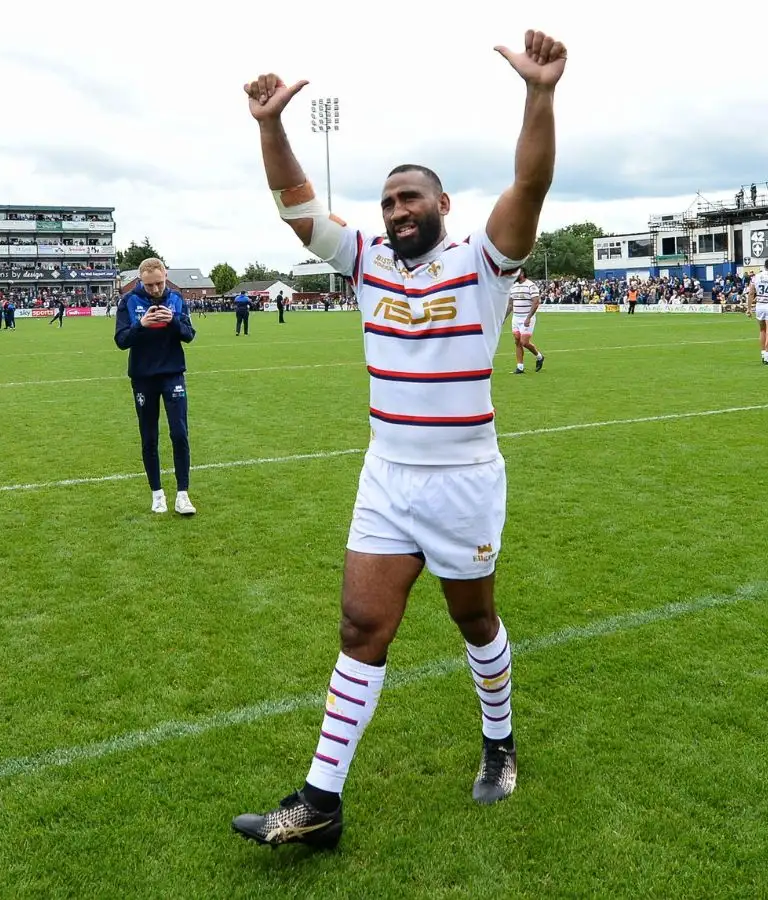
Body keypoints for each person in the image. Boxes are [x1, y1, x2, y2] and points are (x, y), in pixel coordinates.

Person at [230, 28, 566, 849]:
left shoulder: (484, 261)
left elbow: (531, 179)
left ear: (442, 206)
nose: (395, 210)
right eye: (386, 201)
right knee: (359, 629)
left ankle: (499, 741)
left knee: (475, 622)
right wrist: (271, 128)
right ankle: (321, 803)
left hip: (462, 481)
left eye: (409, 198)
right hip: (387, 476)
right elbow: (297, 209)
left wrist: (540, 95)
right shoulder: (364, 262)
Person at [115, 257, 197, 515]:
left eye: (159, 283)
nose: (155, 289)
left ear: (165, 276)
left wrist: (172, 320)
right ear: (140, 281)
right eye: (149, 285)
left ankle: (182, 494)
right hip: (143, 377)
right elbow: (121, 340)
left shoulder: (176, 298)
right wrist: (141, 325)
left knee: (179, 433)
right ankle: (157, 494)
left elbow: (189, 334)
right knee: (149, 437)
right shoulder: (128, 301)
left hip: (172, 374)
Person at [506, 268, 545, 373]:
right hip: (516, 318)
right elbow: (510, 304)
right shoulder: (513, 286)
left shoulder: (531, 286)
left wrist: (528, 317)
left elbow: (536, 302)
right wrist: (503, 318)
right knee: (517, 341)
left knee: (524, 342)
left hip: (527, 318)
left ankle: (539, 357)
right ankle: (520, 367)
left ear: (522, 274)